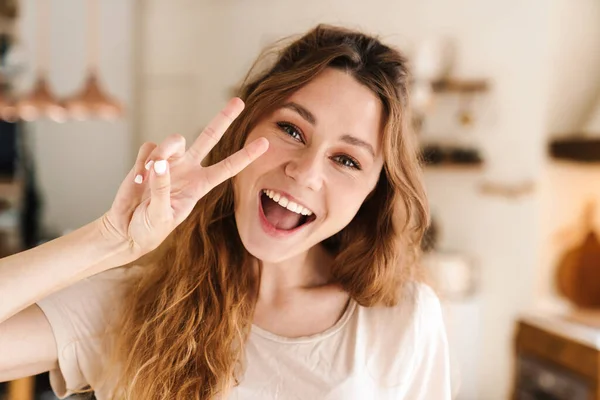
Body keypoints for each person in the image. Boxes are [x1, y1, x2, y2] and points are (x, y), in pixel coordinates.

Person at [0, 24, 452, 399]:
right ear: (243, 130)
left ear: (373, 193)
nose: (306, 172)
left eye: (347, 160)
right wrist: (110, 237)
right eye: (292, 129)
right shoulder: (136, 303)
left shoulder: (403, 318)